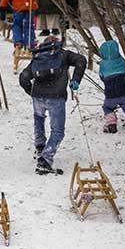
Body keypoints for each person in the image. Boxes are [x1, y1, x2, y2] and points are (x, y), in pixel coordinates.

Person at [19, 35, 87, 174]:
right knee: (58, 131)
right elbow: (81, 60)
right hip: (56, 97)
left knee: (39, 119)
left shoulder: (38, 56)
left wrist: (30, 91)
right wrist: (76, 80)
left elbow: (24, 77)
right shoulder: (63, 54)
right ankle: (45, 159)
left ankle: (40, 146)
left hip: (38, 96)